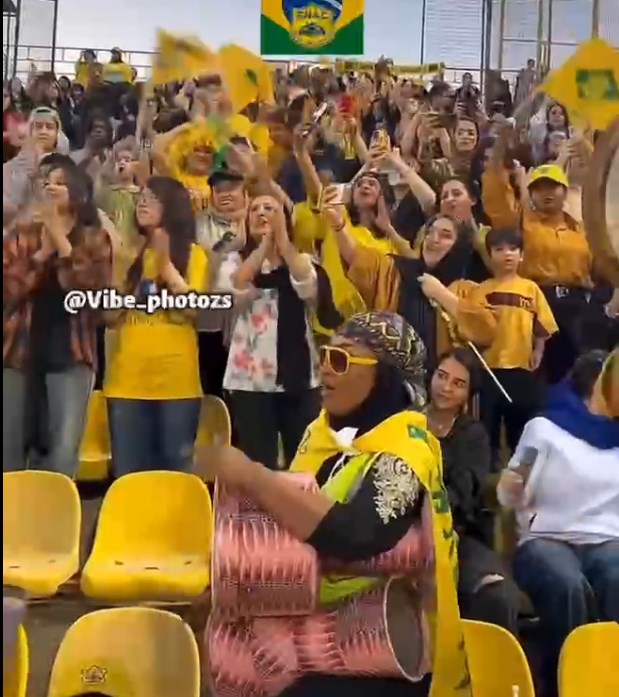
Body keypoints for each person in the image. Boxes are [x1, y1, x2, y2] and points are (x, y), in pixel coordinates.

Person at [196, 311, 471, 697]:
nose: (325, 368)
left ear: (384, 378)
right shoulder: (323, 435)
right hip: (313, 625)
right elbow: (287, 527)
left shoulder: (408, 451)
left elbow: (356, 534)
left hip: (378, 645)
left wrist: (253, 477)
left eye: (341, 359)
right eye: (325, 355)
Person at [497, 350, 619, 697]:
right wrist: (512, 485)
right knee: (567, 584)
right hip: (546, 539)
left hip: (607, 541)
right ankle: (565, 684)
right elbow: (509, 490)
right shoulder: (544, 430)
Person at [3, 155, 112, 475]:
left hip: (71, 355)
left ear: (77, 193)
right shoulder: (20, 235)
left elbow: (93, 294)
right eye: (47, 182)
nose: (52, 187)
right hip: (18, 353)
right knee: (9, 450)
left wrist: (61, 242)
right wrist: (41, 254)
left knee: (63, 454)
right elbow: (9, 290)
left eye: (61, 183)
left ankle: (55, 507)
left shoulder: (94, 238)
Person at [217, 193, 340, 469]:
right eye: (255, 209)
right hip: (250, 380)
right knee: (259, 465)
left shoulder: (302, 260)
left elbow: (307, 286)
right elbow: (237, 290)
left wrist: (282, 242)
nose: (262, 213)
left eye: (270, 209)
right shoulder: (234, 261)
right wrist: (264, 246)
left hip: (299, 376)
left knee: (303, 460)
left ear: (285, 219)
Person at [103, 176, 208, 475]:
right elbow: (109, 317)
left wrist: (165, 265)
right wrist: (120, 268)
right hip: (126, 382)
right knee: (129, 477)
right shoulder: (129, 254)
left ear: (172, 206)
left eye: (152, 198)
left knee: (175, 478)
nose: (143, 202)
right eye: (142, 197)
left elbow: (195, 309)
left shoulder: (194, 255)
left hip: (176, 384)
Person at [324, 198, 497, 374]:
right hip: (392, 376)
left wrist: (441, 294)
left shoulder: (467, 289)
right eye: (430, 232)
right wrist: (339, 226)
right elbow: (357, 258)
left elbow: (486, 330)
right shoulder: (397, 270)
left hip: (440, 381)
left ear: (459, 246)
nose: (433, 239)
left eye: (445, 235)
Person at [428, 348, 519, 634]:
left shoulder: (473, 435)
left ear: (468, 394)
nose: (446, 387)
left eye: (458, 383)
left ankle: (495, 661)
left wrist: (433, 515)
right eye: (442, 376)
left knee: (497, 595)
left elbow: (463, 492)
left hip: (456, 532)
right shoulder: (405, 421)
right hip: (398, 530)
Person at [483, 152, 594, 384]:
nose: (546, 193)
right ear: (531, 194)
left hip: (577, 306)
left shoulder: (580, 230)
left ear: (565, 191)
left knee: (579, 374)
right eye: (539, 188)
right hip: (537, 302)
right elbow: (497, 199)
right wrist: (500, 151)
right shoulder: (522, 223)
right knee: (535, 373)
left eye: (553, 186)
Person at [477, 227, 558, 464]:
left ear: (522, 255)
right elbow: (472, 326)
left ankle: (519, 462)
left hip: (521, 365)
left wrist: (538, 350)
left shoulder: (531, 289)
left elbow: (542, 324)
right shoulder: (481, 290)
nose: (507, 254)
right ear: (490, 255)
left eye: (513, 249)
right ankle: (490, 463)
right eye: (499, 249)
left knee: (519, 418)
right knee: (489, 419)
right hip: (489, 366)